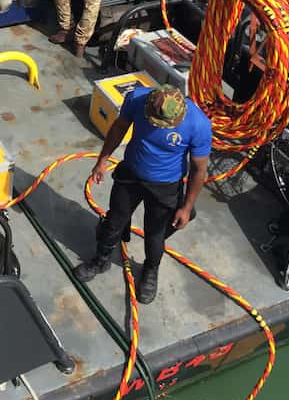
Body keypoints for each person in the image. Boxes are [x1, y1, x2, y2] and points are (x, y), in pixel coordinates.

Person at [75, 85, 212, 304]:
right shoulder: (137, 98)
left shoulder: (198, 124)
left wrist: (186, 207)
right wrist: (102, 160)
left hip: (165, 187)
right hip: (131, 175)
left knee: (154, 235)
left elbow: (199, 169)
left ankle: (150, 269)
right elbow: (120, 127)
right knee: (114, 221)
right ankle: (101, 259)